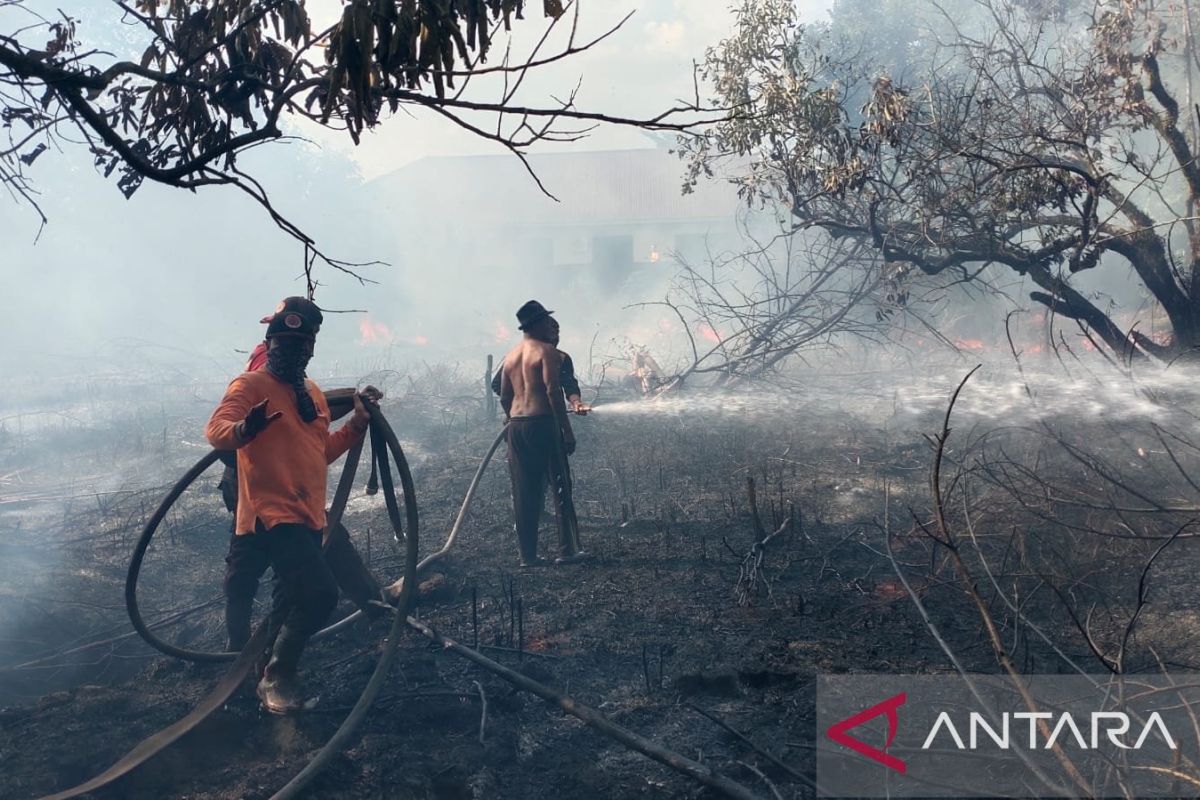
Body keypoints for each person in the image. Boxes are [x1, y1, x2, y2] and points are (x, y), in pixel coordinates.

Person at [205, 296, 373, 714]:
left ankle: (257, 675)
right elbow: (216, 430)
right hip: (271, 515)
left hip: (304, 514)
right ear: (270, 343)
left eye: (301, 346)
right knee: (318, 595)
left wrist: (356, 424)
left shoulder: (312, 394)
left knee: (288, 595)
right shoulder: (250, 386)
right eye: (283, 344)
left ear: (312, 348)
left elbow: (319, 452)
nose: (293, 352)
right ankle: (275, 675)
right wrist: (245, 427)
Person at [499, 300, 588, 567]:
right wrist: (566, 429)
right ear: (536, 324)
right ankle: (567, 551)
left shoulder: (511, 356)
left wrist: (511, 417)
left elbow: (505, 395)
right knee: (560, 486)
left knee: (524, 492)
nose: (550, 326)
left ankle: (527, 556)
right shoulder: (547, 351)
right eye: (546, 322)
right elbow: (552, 391)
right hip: (543, 424)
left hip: (517, 425)